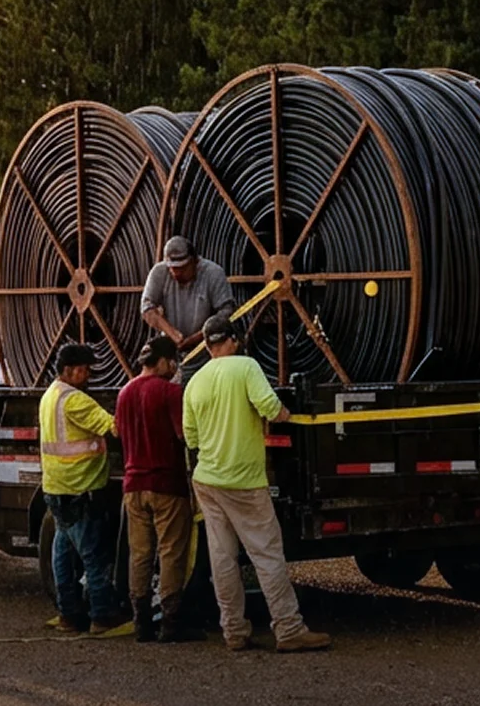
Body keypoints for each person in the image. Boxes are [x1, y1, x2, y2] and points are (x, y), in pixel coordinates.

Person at [182, 313, 331, 654]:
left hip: (207, 480)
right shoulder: (246, 367)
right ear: (233, 340)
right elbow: (268, 406)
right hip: (243, 481)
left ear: (207, 345)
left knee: (222, 558)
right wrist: (284, 414)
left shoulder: (195, 381)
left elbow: (190, 436)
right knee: (266, 554)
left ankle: (233, 631)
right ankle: (289, 628)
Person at [39, 343, 130, 637]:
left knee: (63, 554)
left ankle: (68, 614)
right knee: (93, 554)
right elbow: (115, 427)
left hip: (56, 487)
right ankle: (102, 616)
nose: (89, 374)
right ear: (69, 370)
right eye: (85, 369)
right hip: (80, 487)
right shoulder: (75, 401)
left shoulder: (49, 395)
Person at [114, 339, 201, 643]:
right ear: (162, 362)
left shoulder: (124, 393)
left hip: (133, 486)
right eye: (173, 361)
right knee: (170, 553)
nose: (175, 367)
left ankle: (141, 624)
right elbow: (184, 435)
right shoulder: (170, 392)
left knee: (139, 554)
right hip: (167, 486)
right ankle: (171, 623)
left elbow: (119, 431)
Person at [141, 235, 235, 354]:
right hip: (172, 353)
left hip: (206, 351)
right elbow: (147, 307)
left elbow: (227, 312)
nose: (176, 273)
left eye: (183, 268)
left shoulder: (213, 273)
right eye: (172, 268)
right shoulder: (159, 272)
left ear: (195, 261)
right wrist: (172, 334)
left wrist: (199, 337)